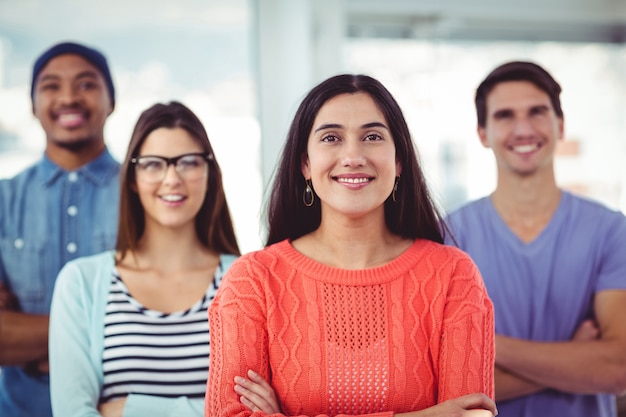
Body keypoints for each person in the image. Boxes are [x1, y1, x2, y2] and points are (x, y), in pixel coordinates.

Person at [206, 74, 497, 417]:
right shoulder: (252, 281)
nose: (353, 156)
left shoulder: (453, 276)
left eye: (372, 136)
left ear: (399, 160)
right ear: (305, 164)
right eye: (331, 138)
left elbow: (471, 415)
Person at [444, 61, 626, 417]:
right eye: (505, 116)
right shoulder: (449, 235)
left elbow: (618, 368)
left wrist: (489, 345)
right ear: (482, 133)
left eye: (537, 112)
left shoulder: (611, 232)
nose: (523, 129)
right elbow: (451, 389)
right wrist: (573, 359)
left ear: (560, 125)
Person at [48, 101, 240, 417]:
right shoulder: (82, 281)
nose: (172, 178)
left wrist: (130, 410)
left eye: (189, 162)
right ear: (133, 179)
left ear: (209, 173)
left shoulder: (245, 279)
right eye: (153, 164)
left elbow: (256, 410)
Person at [0, 41, 119, 417]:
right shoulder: (3, 199)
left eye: (86, 84)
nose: (68, 97)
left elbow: (169, 320)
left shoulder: (145, 194)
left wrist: (37, 341)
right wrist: (102, 335)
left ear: (111, 101)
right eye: (51, 85)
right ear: (33, 105)